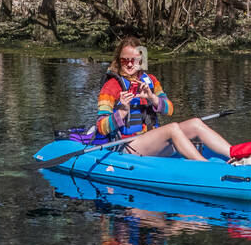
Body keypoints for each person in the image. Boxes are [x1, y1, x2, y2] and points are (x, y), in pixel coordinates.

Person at [94, 37, 233, 161]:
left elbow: (169, 109)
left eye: (134, 60)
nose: (130, 64)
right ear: (119, 60)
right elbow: (101, 127)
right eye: (125, 60)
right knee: (172, 128)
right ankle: (207, 168)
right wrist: (121, 113)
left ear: (141, 60)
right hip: (128, 146)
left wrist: (152, 98)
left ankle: (236, 155)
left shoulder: (151, 81)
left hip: (151, 139)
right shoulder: (111, 86)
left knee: (196, 123)